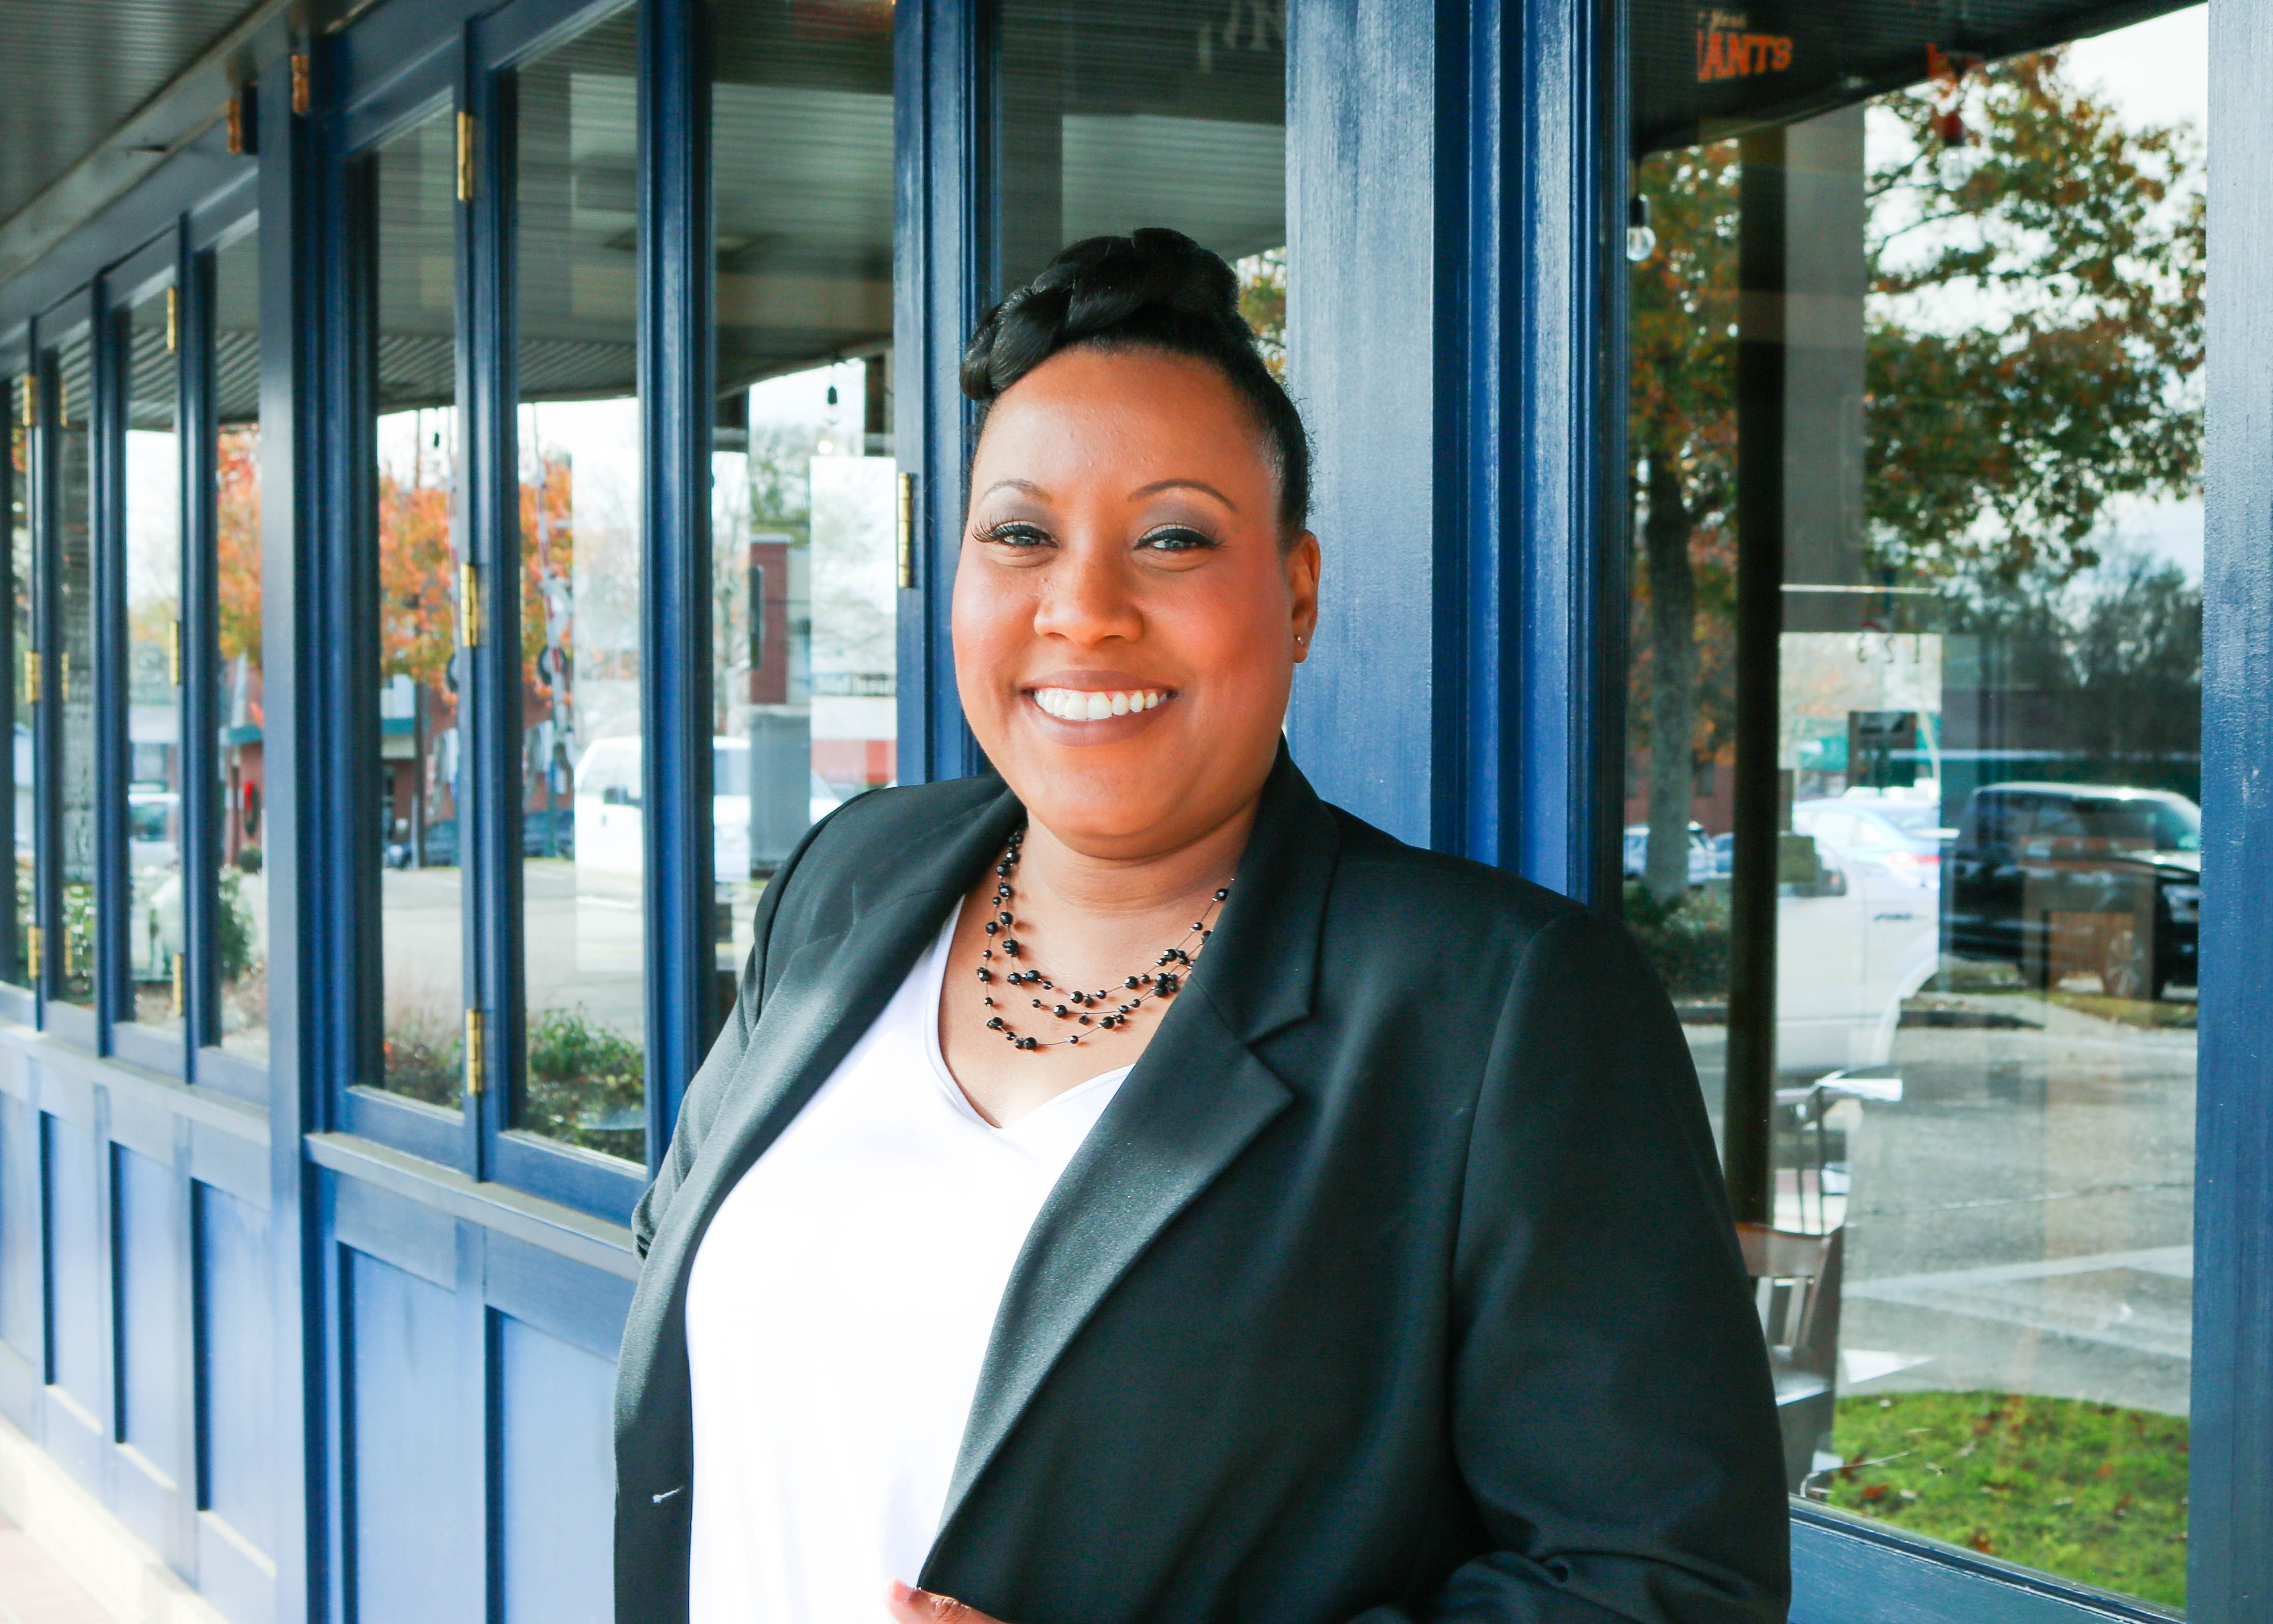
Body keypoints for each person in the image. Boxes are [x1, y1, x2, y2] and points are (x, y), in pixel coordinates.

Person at [614, 228, 1789, 1624]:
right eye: (1021, 534)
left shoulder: (1495, 1009)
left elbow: (1660, 1587)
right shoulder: (852, 881)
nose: (1085, 611)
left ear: (1295, 594)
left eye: (1172, 538)